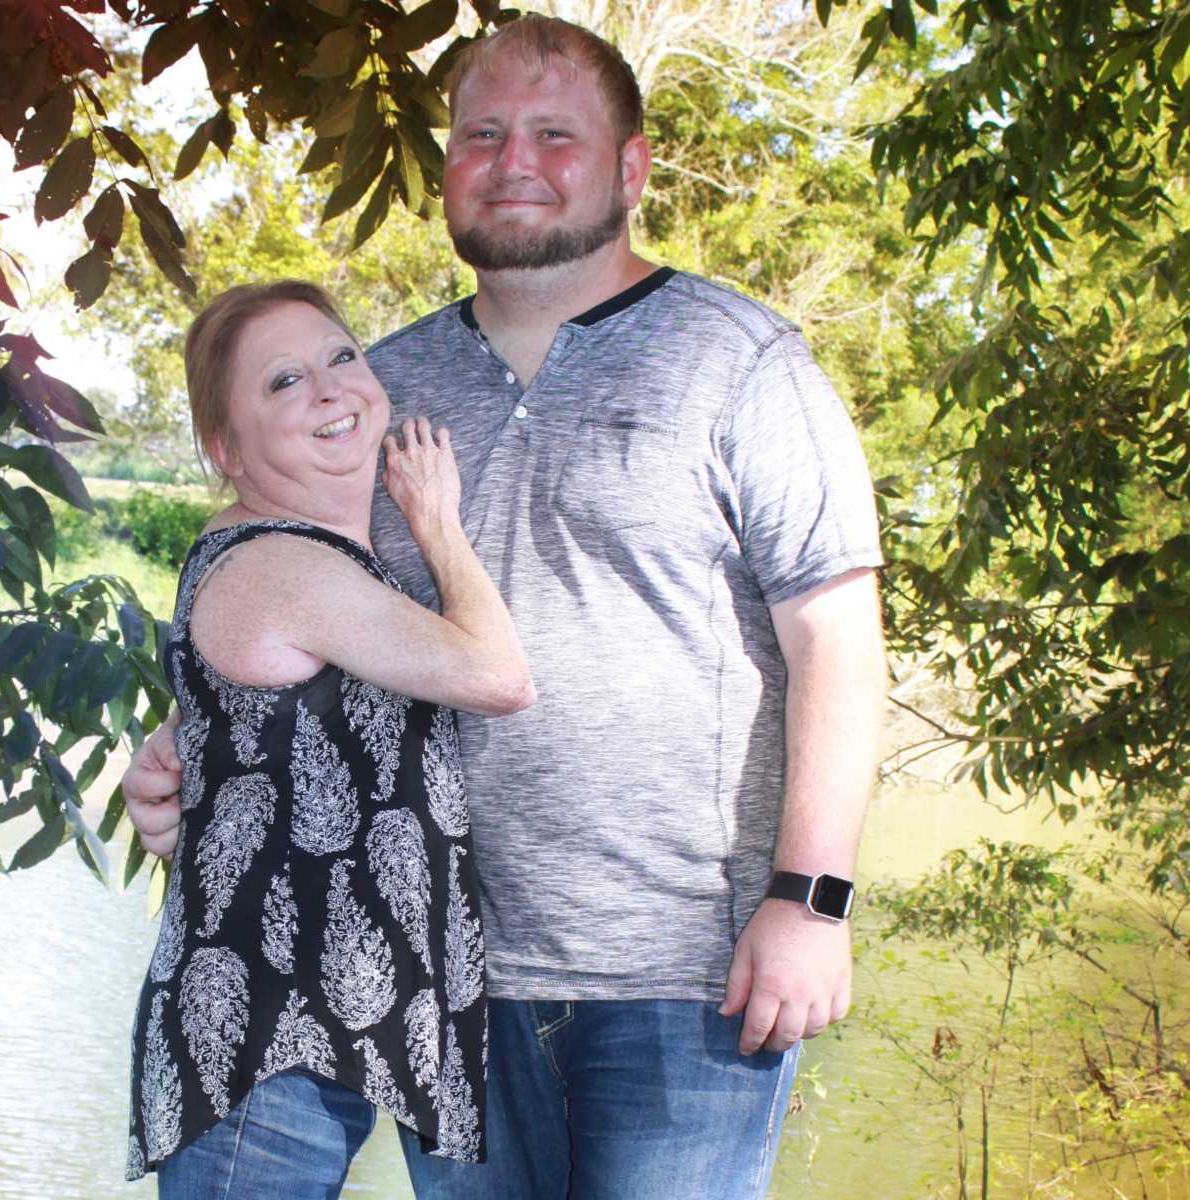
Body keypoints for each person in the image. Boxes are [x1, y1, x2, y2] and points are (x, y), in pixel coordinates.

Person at [125, 16, 888, 1200]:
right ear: (445, 170)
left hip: (683, 969)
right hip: (444, 972)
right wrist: (189, 753)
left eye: (552, 133)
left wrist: (810, 900)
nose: (512, 159)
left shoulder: (738, 362)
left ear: (630, 168)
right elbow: (296, 612)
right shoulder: (372, 386)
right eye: (481, 134)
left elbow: (835, 639)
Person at [123, 280, 535, 1198]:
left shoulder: (303, 556)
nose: (328, 387)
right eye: (281, 382)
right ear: (227, 450)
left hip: (306, 1046)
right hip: (263, 1059)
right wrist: (436, 521)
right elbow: (498, 675)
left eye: (342, 356)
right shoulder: (283, 562)